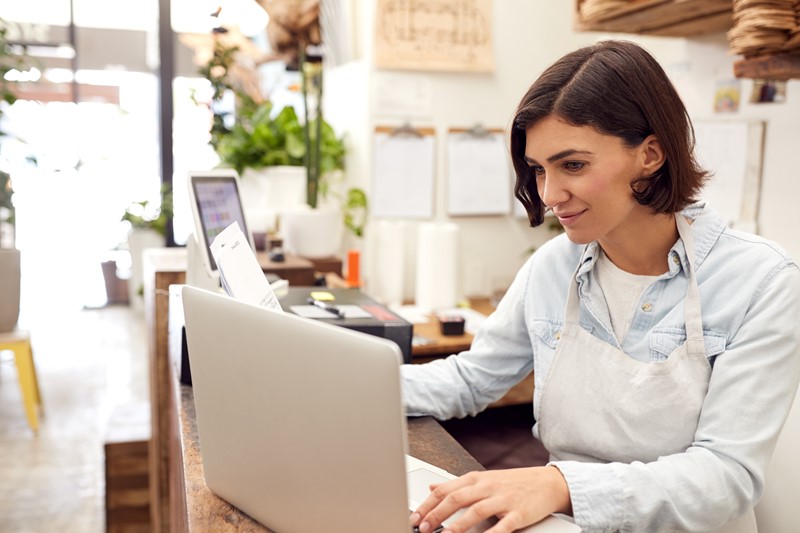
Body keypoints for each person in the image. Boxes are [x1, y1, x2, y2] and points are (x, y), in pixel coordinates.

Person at [403, 40, 800, 533]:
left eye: (573, 165)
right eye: (539, 169)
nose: (549, 194)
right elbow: (470, 379)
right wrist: (352, 383)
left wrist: (560, 485)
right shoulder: (553, 266)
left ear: (650, 154)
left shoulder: (759, 282)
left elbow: (725, 477)